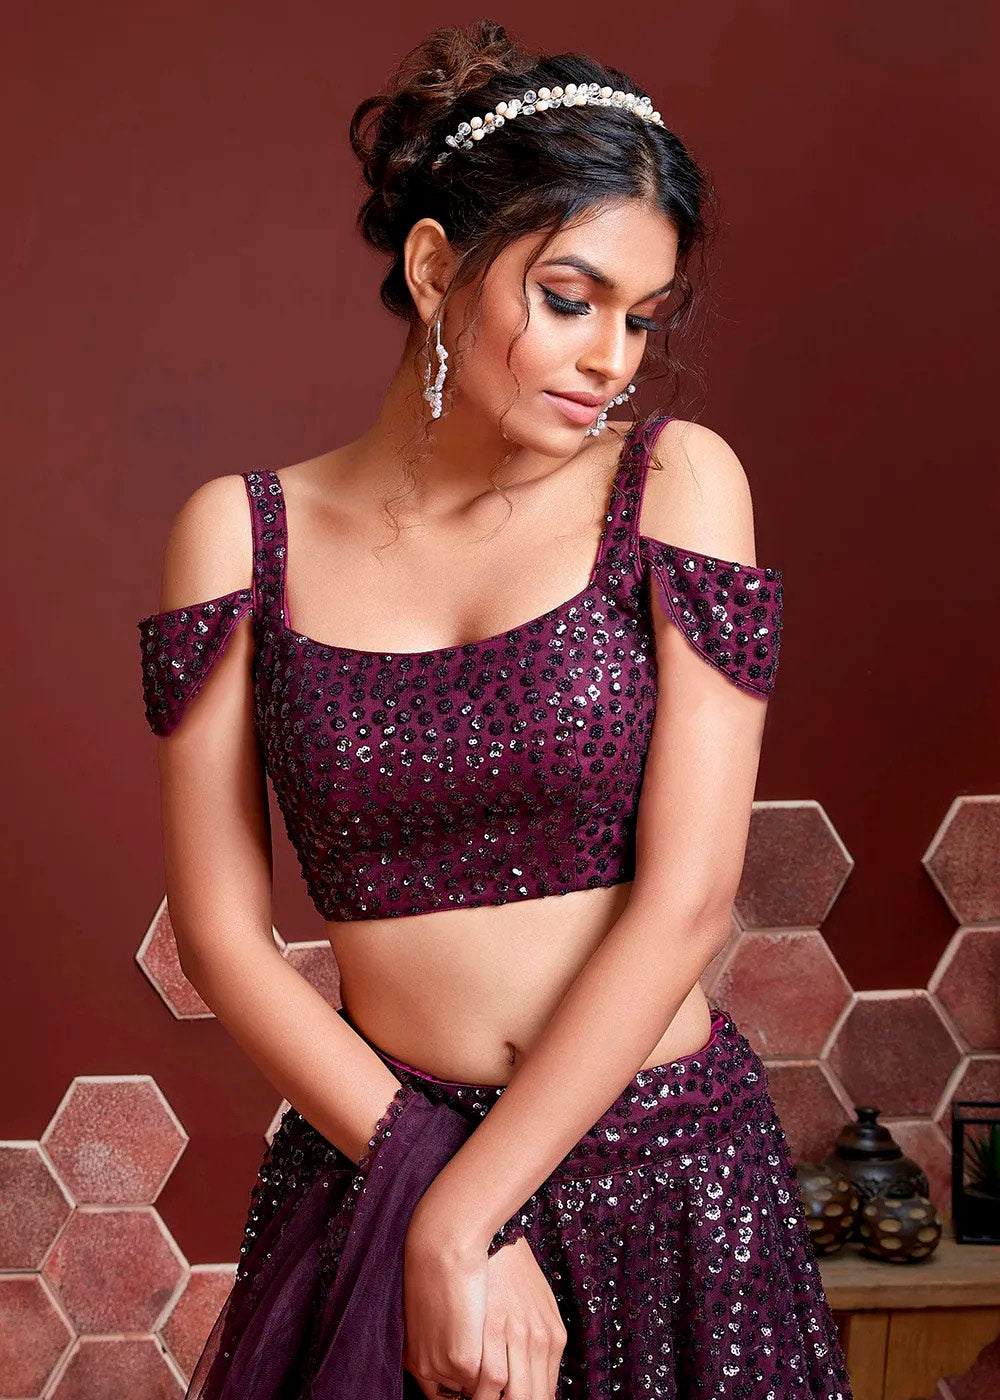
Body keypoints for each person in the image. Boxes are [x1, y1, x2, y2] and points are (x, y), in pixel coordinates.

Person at [136, 18, 852, 1400]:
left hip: (663, 1179)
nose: (612, 359)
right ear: (432, 270)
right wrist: (426, 1185)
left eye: (643, 318)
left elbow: (691, 897)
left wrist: (468, 1213)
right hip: (376, 1167)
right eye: (571, 299)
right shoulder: (240, 538)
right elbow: (223, 938)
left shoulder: (677, 485)